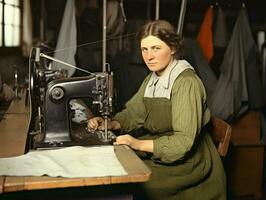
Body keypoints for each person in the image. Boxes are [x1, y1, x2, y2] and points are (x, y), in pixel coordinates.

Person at [88, 20, 226, 200]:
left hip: (189, 165)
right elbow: (134, 113)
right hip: (162, 152)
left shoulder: (186, 83)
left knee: (128, 182)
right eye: (144, 49)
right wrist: (109, 123)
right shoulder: (153, 79)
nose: (149, 56)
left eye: (156, 48)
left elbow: (183, 142)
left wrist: (137, 144)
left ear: (173, 48)